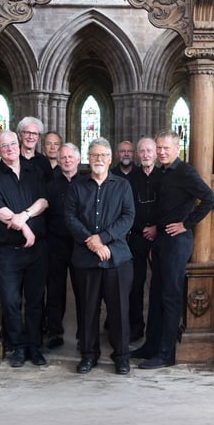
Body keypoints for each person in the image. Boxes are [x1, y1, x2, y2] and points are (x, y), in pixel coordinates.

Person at [132, 130, 214, 369]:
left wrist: (186, 224)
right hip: (161, 240)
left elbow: (210, 198)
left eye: (165, 148)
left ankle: (165, 354)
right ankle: (151, 346)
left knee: (170, 296)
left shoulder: (185, 171)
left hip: (177, 242)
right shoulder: (162, 172)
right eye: (158, 147)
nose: (160, 152)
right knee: (156, 294)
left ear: (176, 148)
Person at [65, 138, 135, 375]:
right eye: (94, 155)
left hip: (117, 258)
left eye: (103, 155)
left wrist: (103, 239)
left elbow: (128, 217)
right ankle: (88, 355)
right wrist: (92, 243)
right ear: (88, 157)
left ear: (110, 158)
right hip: (86, 259)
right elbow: (70, 217)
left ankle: (122, 356)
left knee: (119, 310)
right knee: (87, 310)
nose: (99, 159)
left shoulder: (122, 185)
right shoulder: (77, 186)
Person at [0, 130, 49, 368]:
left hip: (37, 250)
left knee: (35, 300)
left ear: (19, 144)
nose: (10, 148)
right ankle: (19, 347)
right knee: (11, 301)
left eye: (13, 143)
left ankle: (34, 346)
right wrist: (24, 229)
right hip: (9, 250)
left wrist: (23, 217)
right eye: (4, 146)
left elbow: (44, 201)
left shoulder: (34, 170)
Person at [43, 142, 81, 350]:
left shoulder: (85, 183)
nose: (67, 160)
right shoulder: (50, 184)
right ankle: (54, 331)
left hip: (79, 244)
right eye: (63, 157)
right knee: (55, 289)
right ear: (58, 161)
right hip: (55, 243)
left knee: (82, 289)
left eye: (70, 157)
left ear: (77, 159)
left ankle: (84, 331)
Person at [126, 136, 162, 342]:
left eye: (150, 151)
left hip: (159, 236)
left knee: (159, 284)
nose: (146, 155)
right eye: (142, 151)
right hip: (137, 237)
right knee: (135, 284)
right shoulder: (130, 180)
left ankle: (156, 329)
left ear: (156, 153)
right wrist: (143, 228)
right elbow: (128, 210)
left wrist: (156, 228)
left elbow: (168, 207)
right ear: (137, 155)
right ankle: (136, 326)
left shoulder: (163, 177)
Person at [16, 116, 52, 181]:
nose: (31, 137)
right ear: (19, 135)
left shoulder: (44, 162)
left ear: (38, 137)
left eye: (35, 133)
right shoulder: (12, 158)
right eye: (27, 132)